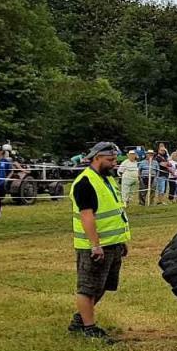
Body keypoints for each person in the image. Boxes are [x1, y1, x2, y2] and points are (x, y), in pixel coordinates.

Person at [69, 142, 131, 340]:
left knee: (103, 285)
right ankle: (89, 328)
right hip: (94, 246)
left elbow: (114, 211)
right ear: (96, 158)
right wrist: (95, 245)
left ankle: (80, 320)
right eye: (110, 160)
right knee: (88, 288)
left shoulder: (107, 179)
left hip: (112, 243)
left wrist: (120, 241)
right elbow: (87, 216)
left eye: (114, 159)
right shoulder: (85, 182)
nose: (114, 163)